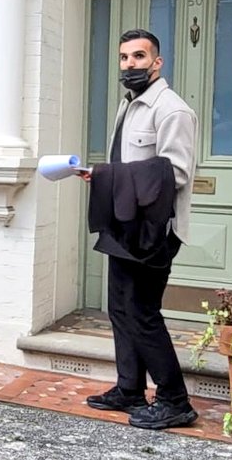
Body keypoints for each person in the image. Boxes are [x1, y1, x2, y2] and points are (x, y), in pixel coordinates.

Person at [83, 29, 199, 430]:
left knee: (142, 312)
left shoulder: (173, 111)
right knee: (119, 309)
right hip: (123, 225)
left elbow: (177, 173)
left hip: (155, 231)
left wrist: (108, 176)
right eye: (124, 58)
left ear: (157, 62)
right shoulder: (128, 105)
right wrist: (105, 177)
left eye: (139, 57)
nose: (130, 64)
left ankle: (175, 399)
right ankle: (129, 388)